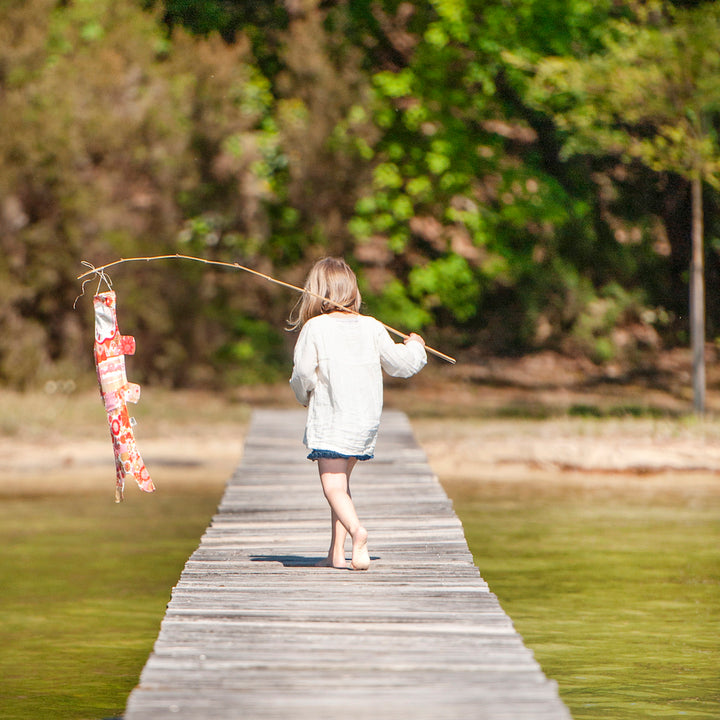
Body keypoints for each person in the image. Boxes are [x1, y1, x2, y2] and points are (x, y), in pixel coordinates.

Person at [289, 257, 427, 570]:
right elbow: (401, 363)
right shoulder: (372, 326)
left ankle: (358, 532)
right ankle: (336, 555)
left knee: (332, 488)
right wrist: (416, 346)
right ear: (353, 291)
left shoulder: (315, 328)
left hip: (332, 421)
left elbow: (303, 375)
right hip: (363, 423)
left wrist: (301, 396)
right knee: (342, 487)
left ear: (316, 292)